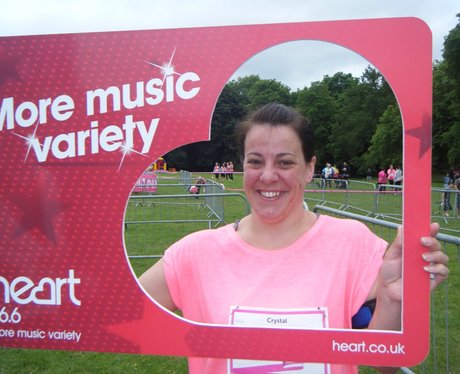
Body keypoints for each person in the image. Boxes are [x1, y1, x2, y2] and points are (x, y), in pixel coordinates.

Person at [139, 103, 448, 374]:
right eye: (256, 161)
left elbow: (385, 363)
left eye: (285, 162)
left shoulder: (352, 243)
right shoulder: (195, 253)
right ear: (241, 166)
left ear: (310, 169)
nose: (269, 175)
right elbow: (113, 313)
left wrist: (393, 297)